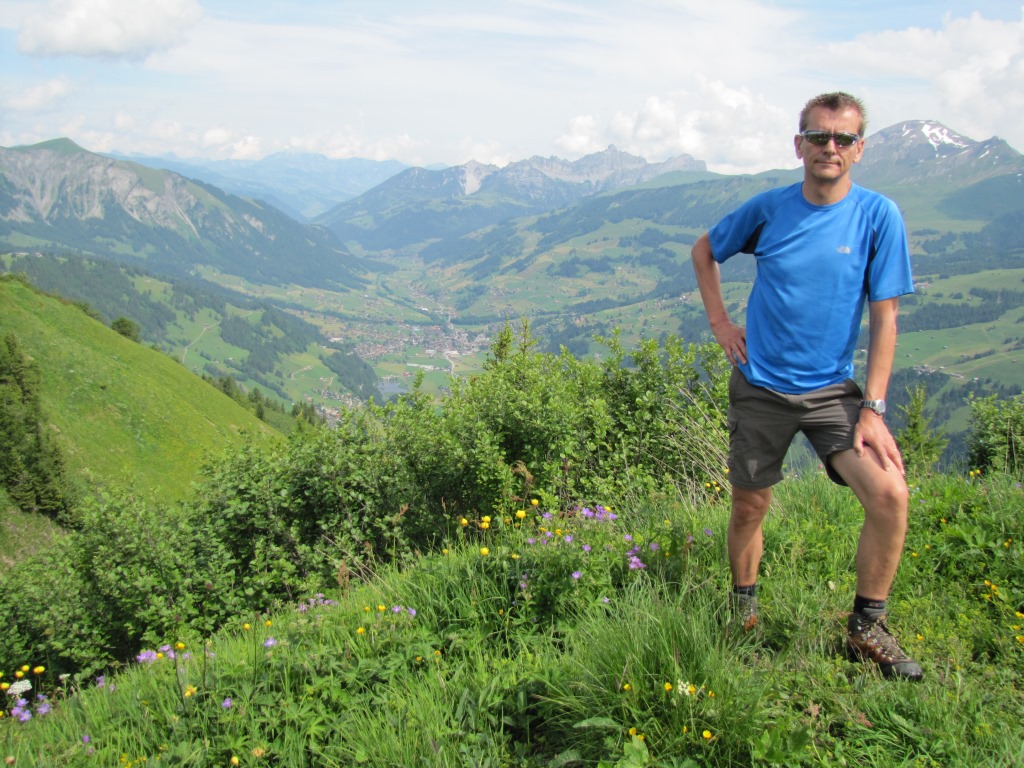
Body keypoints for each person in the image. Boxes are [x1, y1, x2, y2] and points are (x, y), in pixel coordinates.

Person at [691, 92, 922, 681]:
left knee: (890, 495)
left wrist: (872, 408)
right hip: (760, 386)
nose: (830, 147)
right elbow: (705, 250)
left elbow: (886, 317)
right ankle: (742, 612)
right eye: (819, 136)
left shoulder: (878, 216)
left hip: (832, 393)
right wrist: (720, 324)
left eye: (843, 138)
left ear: (859, 149)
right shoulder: (770, 209)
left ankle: (867, 627)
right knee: (750, 504)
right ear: (799, 145)